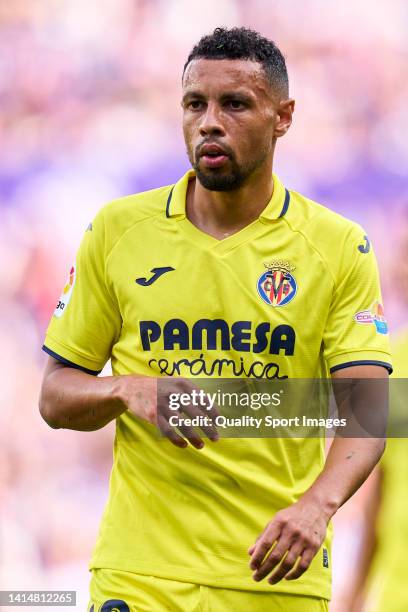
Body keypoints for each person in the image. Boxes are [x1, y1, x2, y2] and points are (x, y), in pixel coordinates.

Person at [39, 27, 392, 612]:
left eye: (234, 104)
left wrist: (317, 507)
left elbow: (372, 409)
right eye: (194, 103)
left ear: (283, 117)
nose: (208, 121)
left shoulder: (336, 246)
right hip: (140, 573)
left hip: (275, 570)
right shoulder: (118, 231)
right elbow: (54, 397)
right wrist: (130, 388)